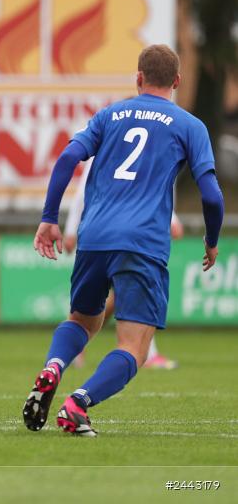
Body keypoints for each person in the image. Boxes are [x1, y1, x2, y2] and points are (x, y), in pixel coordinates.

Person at [23, 44, 224, 437]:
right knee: (135, 347)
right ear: (177, 82)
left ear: (138, 78)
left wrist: (49, 219)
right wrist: (212, 240)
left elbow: (67, 160)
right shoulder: (189, 125)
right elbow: (213, 195)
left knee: (82, 319)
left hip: (94, 236)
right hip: (143, 241)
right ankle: (77, 403)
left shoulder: (109, 115)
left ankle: (54, 367)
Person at [63, 158, 183, 370]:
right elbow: (84, 189)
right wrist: (71, 229)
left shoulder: (147, 140)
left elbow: (147, 186)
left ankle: (74, 345)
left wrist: (171, 218)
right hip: (116, 232)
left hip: (125, 230)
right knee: (125, 293)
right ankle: (144, 353)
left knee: (115, 297)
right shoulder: (108, 140)